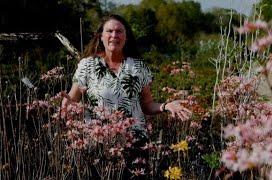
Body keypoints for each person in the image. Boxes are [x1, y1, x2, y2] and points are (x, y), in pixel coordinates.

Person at [62, 14, 192, 178]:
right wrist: (66, 109)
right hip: (98, 144)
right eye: (109, 31)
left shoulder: (138, 66)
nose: (114, 36)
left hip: (135, 144)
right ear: (101, 36)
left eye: (119, 32)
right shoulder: (87, 65)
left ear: (126, 37)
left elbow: (147, 104)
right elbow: (71, 101)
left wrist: (166, 106)